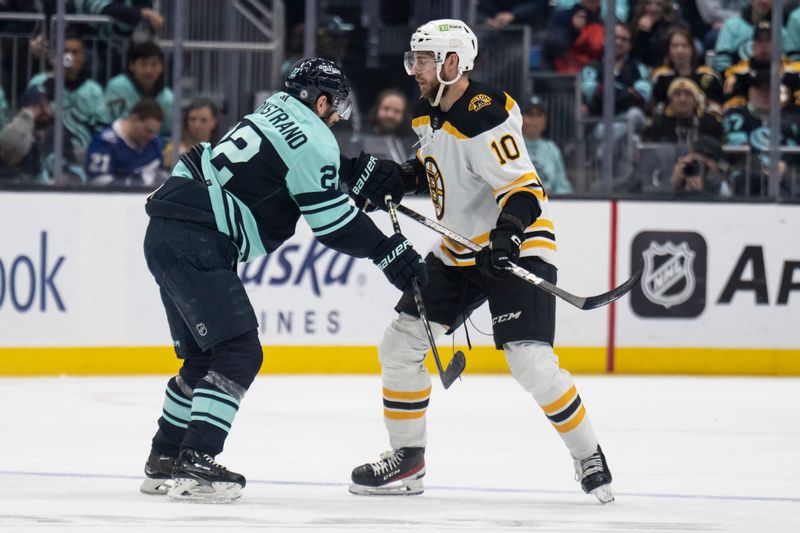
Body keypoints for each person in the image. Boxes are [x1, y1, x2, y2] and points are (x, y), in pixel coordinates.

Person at [348, 19, 614, 504]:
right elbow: (441, 177)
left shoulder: (484, 113)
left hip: (518, 246)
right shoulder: (429, 113)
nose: (416, 69)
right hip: (458, 251)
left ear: (453, 63)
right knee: (400, 343)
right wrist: (397, 178)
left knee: (530, 360)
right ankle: (408, 460)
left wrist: (507, 237)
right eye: (415, 59)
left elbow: (525, 190)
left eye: (424, 59)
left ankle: (588, 455)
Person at [138, 57, 427, 503]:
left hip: (167, 231)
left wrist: (354, 173)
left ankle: (164, 458)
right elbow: (331, 224)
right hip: (197, 240)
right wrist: (387, 250)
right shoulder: (314, 137)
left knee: (204, 359)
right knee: (238, 351)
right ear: (323, 99)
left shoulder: (271, 109)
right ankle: (195, 461)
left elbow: (281, 170)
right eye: (336, 108)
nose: (337, 118)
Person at [86, 98, 165, 186]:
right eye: (148, 130)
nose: (151, 136)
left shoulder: (154, 143)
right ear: (134, 119)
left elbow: (160, 177)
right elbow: (98, 181)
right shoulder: (105, 142)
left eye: (155, 132)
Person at [651, 26, 723, 118]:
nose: (679, 51)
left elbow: (716, 108)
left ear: (692, 49)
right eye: (674, 46)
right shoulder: (661, 76)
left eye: (684, 46)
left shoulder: (707, 76)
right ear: (668, 50)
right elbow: (656, 107)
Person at [105, 41, 173, 138]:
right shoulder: (117, 86)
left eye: (154, 65)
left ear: (161, 67)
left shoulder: (167, 97)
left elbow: (168, 133)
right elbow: (110, 122)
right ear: (132, 66)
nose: (148, 70)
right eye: (143, 64)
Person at [643, 77, 723, 144]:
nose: (682, 99)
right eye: (677, 94)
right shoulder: (658, 124)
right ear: (671, 100)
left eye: (688, 95)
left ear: (695, 101)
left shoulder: (710, 124)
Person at [521, 96, 573, 194]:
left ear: (545, 120)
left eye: (539, 115)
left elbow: (562, 187)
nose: (534, 120)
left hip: (550, 204)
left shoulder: (552, 149)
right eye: (530, 114)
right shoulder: (512, 145)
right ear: (520, 118)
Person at [163, 98, 221, 168]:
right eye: (192, 119)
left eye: (203, 120)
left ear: (213, 122)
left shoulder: (220, 153)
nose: (197, 125)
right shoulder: (172, 150)